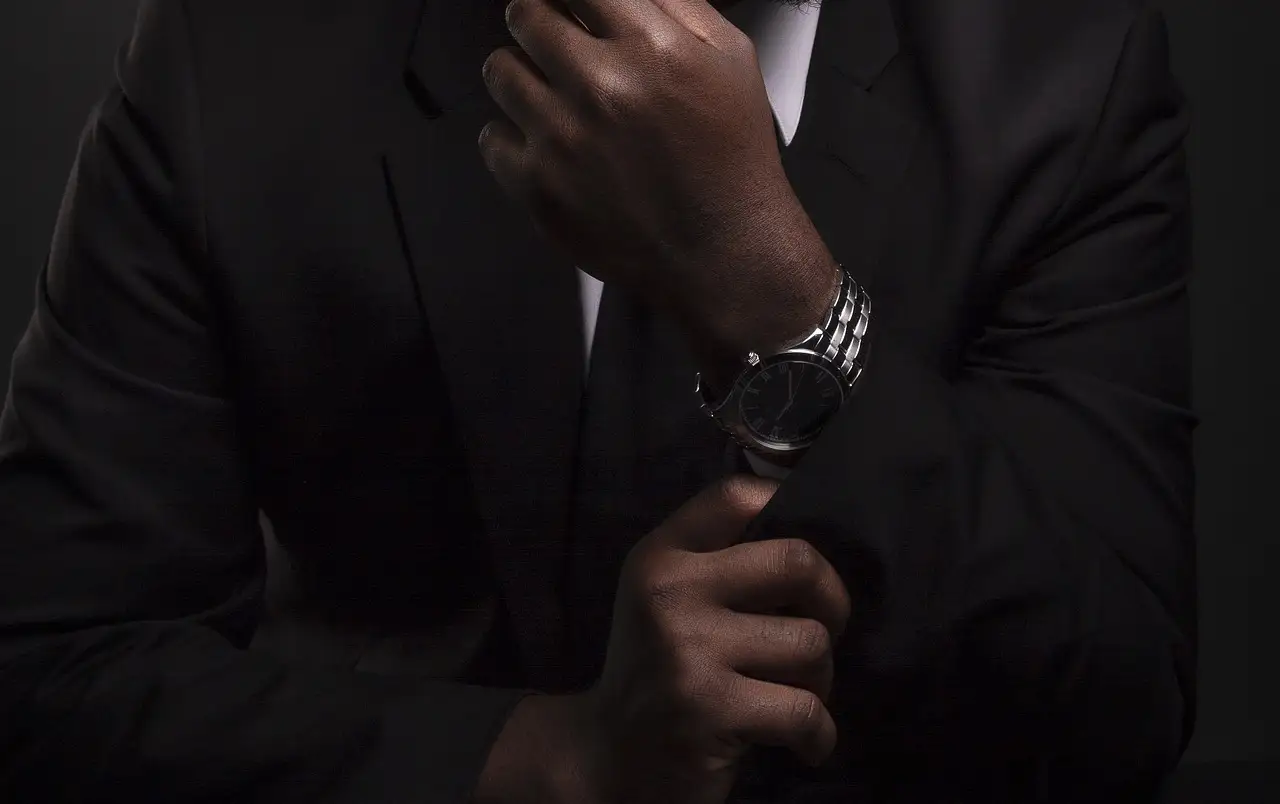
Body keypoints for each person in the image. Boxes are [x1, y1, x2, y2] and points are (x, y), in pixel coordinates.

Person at [0, 0, 1195, 800]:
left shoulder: (1064, 70)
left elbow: (1114, 714)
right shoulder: (238, 50)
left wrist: (774, 292)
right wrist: (545, 758)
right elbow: (53, 673)